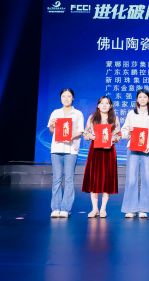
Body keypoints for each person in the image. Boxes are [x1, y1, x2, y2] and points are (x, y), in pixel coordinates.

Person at [120, 89, 149, 218]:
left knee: (147, 178)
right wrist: (129, 131)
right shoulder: (131, 114)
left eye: (145, 97)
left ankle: (144, 208)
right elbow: (123, 131)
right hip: (133, 149)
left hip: (147, 149)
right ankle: (130, 208)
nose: (142, 99)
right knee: (131, 179)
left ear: (148, 99)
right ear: (137, 99)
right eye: (140, 97)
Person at [82, 96, 121, 218]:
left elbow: (119, 135)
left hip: (109, 151)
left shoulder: (114, 119)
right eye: (102, 103)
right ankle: (94, 209)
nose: (104, 105)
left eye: (107, 103)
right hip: (95, 150)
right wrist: (92, 136)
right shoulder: (92, 118)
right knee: (94, 179)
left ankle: (103, 208)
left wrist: (112, 140)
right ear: (98, 105)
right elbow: (85, 134)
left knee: (106, 180)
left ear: (110, 106)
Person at [47, 88, 85, 218]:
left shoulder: (78, 113)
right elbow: (52, 130)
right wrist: (52, 125)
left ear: (73, 98)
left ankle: (65, 208)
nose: (66, 98)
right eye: (63, 96)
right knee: (57, 179)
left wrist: (72, 137)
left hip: (71, 149)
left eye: (69, 96)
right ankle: (55, 208)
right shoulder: (55, 112)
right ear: (60, 98)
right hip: (56, 148)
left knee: (69, 179)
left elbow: (81, 131)